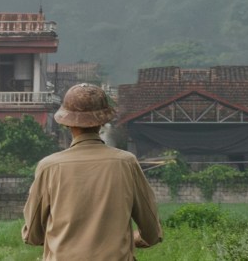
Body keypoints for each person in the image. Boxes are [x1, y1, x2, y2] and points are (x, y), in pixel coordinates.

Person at [22, 83, 163, 259]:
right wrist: (130, 239)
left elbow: (32, 236)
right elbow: (152, 232)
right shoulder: (126, 163)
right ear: (102, 122)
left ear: (67, 123)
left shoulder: (49, 166)